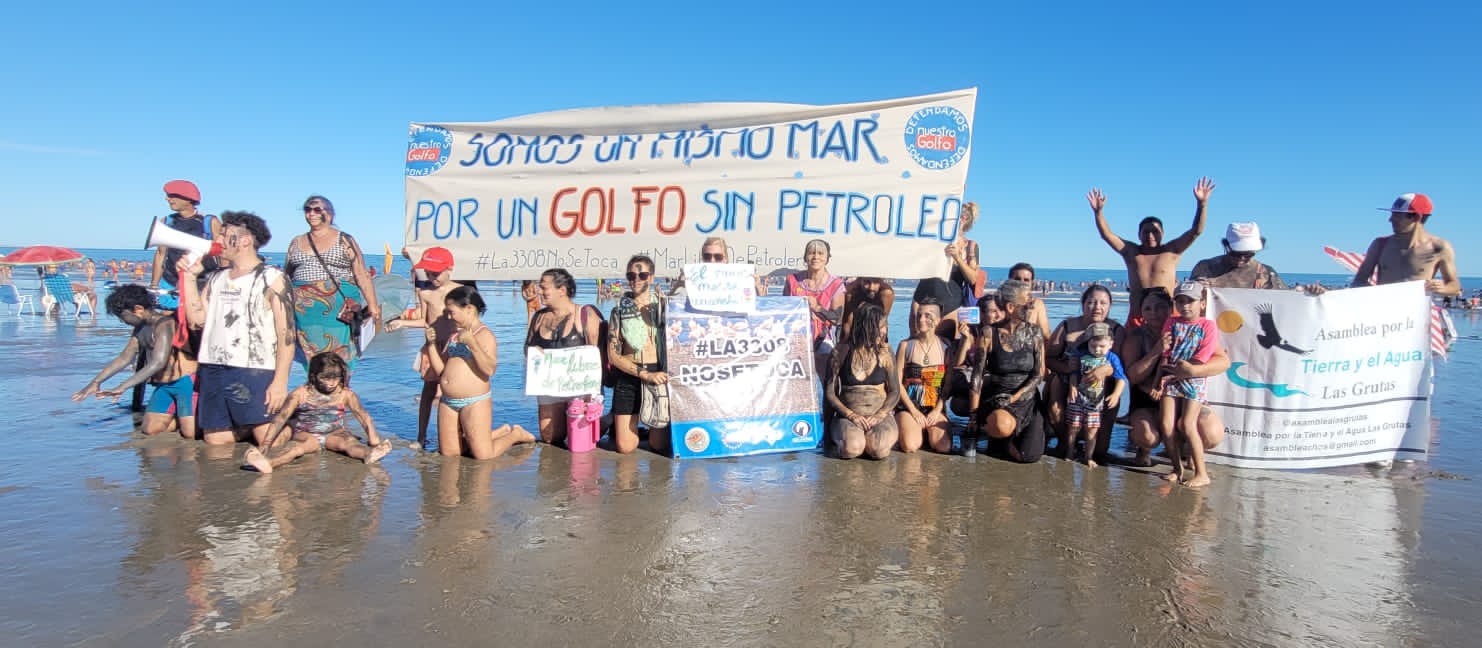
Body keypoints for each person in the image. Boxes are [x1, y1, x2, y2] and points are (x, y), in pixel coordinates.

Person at [178, 211, 296, 448]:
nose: (218, 239)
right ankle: (247, 427)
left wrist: (280, 382)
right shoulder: (215, 278)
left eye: (224, 233)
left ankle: (291, 424)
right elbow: (197, 320)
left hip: (255, 367)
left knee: (268, 439)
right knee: (215, 440)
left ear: (245, 240)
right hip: (213, 365)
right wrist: (190, 278)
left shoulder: (273, 278)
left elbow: (287, 334)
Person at [1121, 287, 1229, 467]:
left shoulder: (1191, 328)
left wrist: (1192, 371)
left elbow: (1224, 362)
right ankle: (1144, 449)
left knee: (1212, 434)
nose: (1154, 313)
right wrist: (1156, 351)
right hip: (1149, 399)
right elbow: (1132, 376)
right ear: (1141, 312)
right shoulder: (1136, 336)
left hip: (1186, 393)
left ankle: (1188, 451)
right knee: (1148, 435)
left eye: (1160, 307)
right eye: (1148, 308)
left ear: (1172, 308)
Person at [426, 286, 537, 459]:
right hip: (448, 401)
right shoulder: (454, 336)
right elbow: (441, 371)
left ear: (469, 309)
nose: (448, 317)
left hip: (474, 401)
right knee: (450, 454)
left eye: (451, 312)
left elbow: (489, 369)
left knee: (484, 456)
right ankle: (495, 433)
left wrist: (472, 343)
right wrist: (430, 345)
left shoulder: (485, 335)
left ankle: (516, 434)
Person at [72, 285, 197, 439]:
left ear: (138, 309)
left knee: (190, 433)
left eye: (123, 316)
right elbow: (125, 357)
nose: (122, 321)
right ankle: (181, 417)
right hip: (164, 385)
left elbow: (158, 362)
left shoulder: (165, 324)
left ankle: (198, 419)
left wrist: (122, 387)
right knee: (150, 429)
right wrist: (96, 382)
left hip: (186, 382)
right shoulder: (140, 328)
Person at [1090, 177, 1214, 322]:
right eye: (1146, 232)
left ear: (1162, 233)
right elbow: (1107, 235)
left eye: (1155, 231)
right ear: (1139, 234)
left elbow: (1196, 231)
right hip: (1138, 316)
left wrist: (1202, 204)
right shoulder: (1131, 252)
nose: (1150, 235)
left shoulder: (1172, 251)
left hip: (1167, 316)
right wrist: (1098, 213)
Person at [243, 353, 392, 473]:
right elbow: (281, 418)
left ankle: (368, 454)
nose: (332, 383)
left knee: (348, 443)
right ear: (314, 376)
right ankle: (270, 463)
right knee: (297, 448)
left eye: (336, 377)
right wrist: (266, 443)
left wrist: (374, 440)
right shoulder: (300, 394)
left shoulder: (346, 394)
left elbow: (363, 416)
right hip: (306, 432)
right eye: (325, 378)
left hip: (334, 432)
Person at [283, 195, 381, 372]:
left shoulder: (344, 240)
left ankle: (340, 394)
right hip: (305, 314)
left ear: (330, 214)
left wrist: (373, 305)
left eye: (317, 209)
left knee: (338, 355)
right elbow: (286, 277)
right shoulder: (296, 242)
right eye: (307, 209)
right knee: (310, 357)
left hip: (338, 312)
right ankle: (315, 395)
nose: (311, 214)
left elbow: (360, 273)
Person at [384, 247, 462, 449]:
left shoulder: (461, 292)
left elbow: (470, 320)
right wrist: (402, 323)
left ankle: (458, 434)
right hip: (432, 346)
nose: (432, 277)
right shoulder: (426, 293)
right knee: (428, 392)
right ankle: (421, 436)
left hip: (454, 348)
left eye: (436, 273)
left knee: (455, 391)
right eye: (428, 273)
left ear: (450, 269)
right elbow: (424, 321)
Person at [968, 280, 1046, 462]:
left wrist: (1016, 397)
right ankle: (999, 434)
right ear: (1011, 307)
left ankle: (1006, 440)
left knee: (1028, 457)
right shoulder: (989, 333)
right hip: (998, 399)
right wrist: (973, 416)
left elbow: (1038, 375)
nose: (1031, 305)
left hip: (1026, 400)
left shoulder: (1035, 333)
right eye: (1027, 301)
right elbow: (977, 376)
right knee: (1002, 426)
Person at [1045, 285, 1125, 458]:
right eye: (1091, 302)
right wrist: (1068, 368)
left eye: (1103, 302)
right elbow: (1049, 358)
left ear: (1110, 305)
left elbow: (1122, 367)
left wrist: (1106, 370)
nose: (1097, 307)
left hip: (1103, 387)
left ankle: (1088, 441)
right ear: (1083, 304)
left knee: (1100, 452)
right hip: (1070, 381)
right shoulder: (1067, 326)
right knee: (1056, 397)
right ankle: (1065, 441)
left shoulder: (1116, 330)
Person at [525, 268, 602, 445]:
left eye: (544, 287)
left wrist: (594, 395)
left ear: (562, 290)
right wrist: (534, 352)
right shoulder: (539, 317)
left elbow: (596, 357)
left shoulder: (585, 315)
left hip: (578, 386)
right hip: (548, 385)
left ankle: (606, 421)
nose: (539, 291)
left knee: (578, 440)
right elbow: (526, 349)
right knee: (550, 438)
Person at [1158, 281, 1220, 487]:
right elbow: (1166, 353)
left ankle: (1202, 473)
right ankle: (1177, 467)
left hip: (1193, 380)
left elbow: (1203, 357)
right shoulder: (1171, 322)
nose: (1185, 306)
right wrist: (1162, 377)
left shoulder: (1208, 326)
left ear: (1201, 303)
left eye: (1190, 301)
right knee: (1167, 425)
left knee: (1186, 424)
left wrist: (1180, 372)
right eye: (1181, 301)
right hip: (1170, 378)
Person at [608, 255, 670, 455]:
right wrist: (643, 374)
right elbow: (613, 355)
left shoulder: (662, 307)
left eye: (642, 275)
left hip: (657, 373)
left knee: (659, 446)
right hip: (630, 375)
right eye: (631, 275)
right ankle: (623, 424)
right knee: (625, 448)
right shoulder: (618, 311)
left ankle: (644, 429)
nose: (636, 279)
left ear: (651, 277)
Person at [825, 304, 899, 459]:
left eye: (886, 326)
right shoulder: (841, 352)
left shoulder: (886, 352)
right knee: (852, 449)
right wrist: (850, 415)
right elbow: (830, 393)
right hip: (848, 416)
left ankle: (870, 440)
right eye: (881, 327)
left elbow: (895, 391)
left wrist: (881, 414)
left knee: (878, 450)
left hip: (879, 416)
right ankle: (851, 440)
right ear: (866, 327)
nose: (884, 331)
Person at [1351, 193, 1461, 296]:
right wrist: (1375, 295)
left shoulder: (1439, 247)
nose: (1390, 220)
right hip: (1384, 311)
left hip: (1416, 313)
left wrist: (1442, 288)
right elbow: (1358, 281)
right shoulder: (1380, 244)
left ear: (1416, 217)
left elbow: (1455, 287)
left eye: (1397, 216)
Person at [894, 299, 953, 454]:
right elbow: (897, 382)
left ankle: (927, 432)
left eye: (928, 315)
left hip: (934, 406)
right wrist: (914, 411)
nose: (921, 320)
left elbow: (947, 385)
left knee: (943, 447)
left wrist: (937, 411)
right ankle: (912, 429)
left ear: (938, 320)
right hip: (909, 406)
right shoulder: (906, 346)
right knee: (910, 446)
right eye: (919, 315)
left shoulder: (945, 347)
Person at [1066, 323, 1125, 468]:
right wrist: (1072, 387)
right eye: (1093, 345)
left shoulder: (1112, 358)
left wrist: (1116, 394)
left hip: (1095, 401)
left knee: (1091, 430)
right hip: (1078, 398)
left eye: (1102, 346)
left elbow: (1121, 378)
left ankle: (1088, 457)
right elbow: (1074, 373)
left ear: (1111, 344)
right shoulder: (1081, 354)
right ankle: (1069, 452)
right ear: (1088, 343)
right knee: (1073, 427)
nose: (1097, 350)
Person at [785, 239, 847, 375]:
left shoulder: (836, 285)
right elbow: (783, 311)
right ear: (805, 257)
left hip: (822, 339)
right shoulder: (792, 280)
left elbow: (837, 319)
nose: (816, 257)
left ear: (827, 258)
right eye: (811, 253)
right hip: (796, 339)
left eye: (820, 253)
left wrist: (817, 308)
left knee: (829, 381)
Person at [151, 180, 221, 291]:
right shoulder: (167, 222)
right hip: (170, 282)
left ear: (188, 198)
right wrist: (154, 286)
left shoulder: (209, 222)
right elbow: (160, 254)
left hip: (202, 283)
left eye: (172, 196)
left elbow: (223, 254)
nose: (167, 199)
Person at [1007, 263, 1051, 339]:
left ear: (1032, 283)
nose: (1022, 283)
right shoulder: (999, 302)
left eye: (1026, 280)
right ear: (1009, 280)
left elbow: (1045, 334)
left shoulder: (1037, 304)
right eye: (1017, 279)